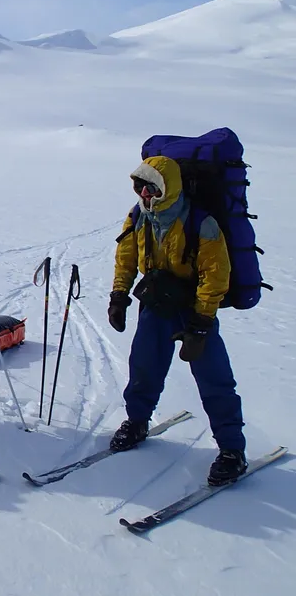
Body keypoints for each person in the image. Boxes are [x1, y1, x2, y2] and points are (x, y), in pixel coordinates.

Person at [109, 155, 246, 486]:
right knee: (144, 364)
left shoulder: (201, 223)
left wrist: (200, 324)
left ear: (167, 189)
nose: (143, 193)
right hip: (157, 301)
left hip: (194, 306)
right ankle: (138, 421)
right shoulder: (138, 216)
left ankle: (232, 450)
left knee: (214, 376)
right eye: (139, 186)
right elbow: (126, 256)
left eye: (150, 187)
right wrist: (118, 295)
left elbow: (216, 275)